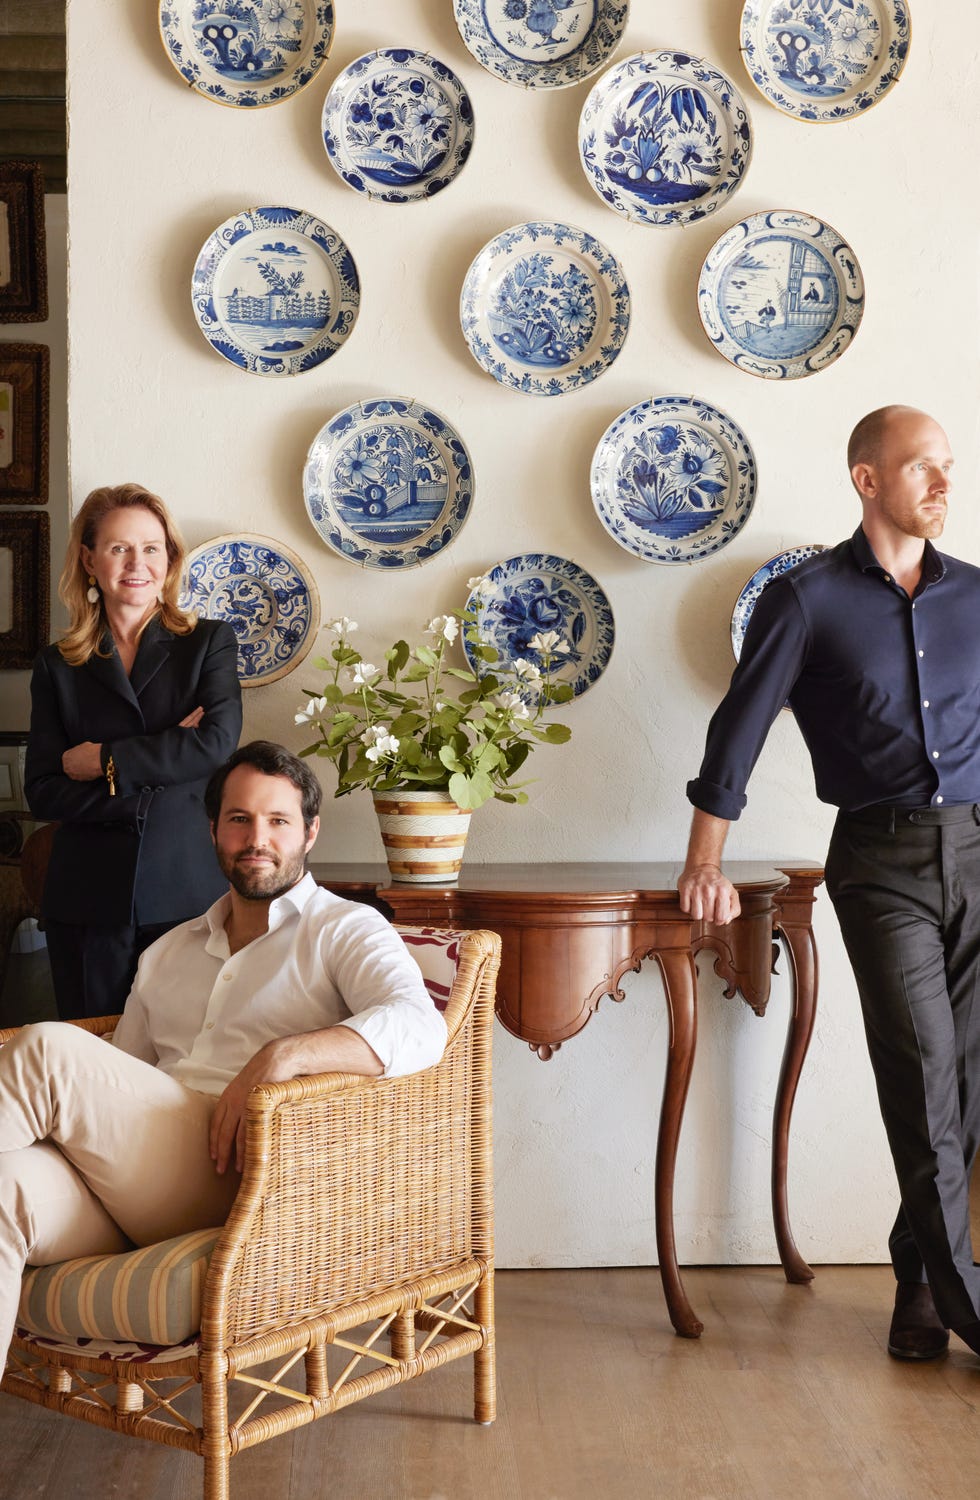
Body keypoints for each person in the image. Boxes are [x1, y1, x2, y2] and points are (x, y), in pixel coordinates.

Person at [680, 405, 980, 1364]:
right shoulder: (804, 598)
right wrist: (704, 862)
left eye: (948, 467)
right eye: (921, 467)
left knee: (967, 1088)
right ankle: (976, 1309)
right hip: (881, 863)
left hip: (979, 848)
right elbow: (739, 731)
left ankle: (919, 1287)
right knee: (922, 1073)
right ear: (866, 479)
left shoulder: (977, 596)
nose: (942, 483)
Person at [0, 740, 447, 1369]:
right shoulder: (168, 951)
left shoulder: (343, 927)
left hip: (239, 1173)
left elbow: (421, 1028)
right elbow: (119, 1079)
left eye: (277, 821)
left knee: (45, 1047)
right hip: (134, 1177)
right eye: (239, 819)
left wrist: (281, 1056)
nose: (256, 838)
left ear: (309, 832)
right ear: (212, 830)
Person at [25, 482, 243, 1020]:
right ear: (89, 559)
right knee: (92, 1066)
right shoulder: (58, 664)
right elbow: (43, 792)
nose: (137, 563)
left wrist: (102, 762)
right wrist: (155, 776)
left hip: (186, 892)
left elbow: (215, 745)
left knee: (187, 1064)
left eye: (151, 548)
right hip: (86, 901)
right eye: (120, 548)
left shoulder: (208, 643)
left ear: (169, 560)